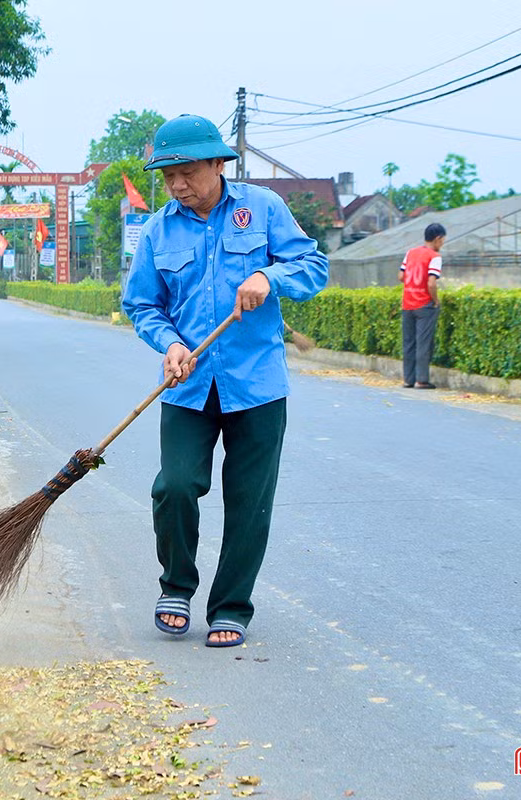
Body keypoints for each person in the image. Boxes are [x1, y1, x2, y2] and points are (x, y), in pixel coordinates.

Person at [121, 114, 328, 646]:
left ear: (218, 162)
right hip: (187, 384)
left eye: (186, 172)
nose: (176, 185)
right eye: (167, 176)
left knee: (249, 500)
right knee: (174, 486)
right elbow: (142, 304)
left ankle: (231, 606)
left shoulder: (262, 209)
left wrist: (268, 275)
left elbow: (312, 267)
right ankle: (176, 584)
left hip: (257, 385)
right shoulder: (158, 230)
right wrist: (169, 345)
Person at [399, 223, 446, 389]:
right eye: (442, 240)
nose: (442, 244)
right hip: (424, 304)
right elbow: (431, 283)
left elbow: (401, 276)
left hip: (407, 302)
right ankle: (421, 380)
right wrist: (435, 300)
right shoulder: (434, 256)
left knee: (409, 342)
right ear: (438, 238)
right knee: (424, 342)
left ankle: (408, 379)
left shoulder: (410, 253)